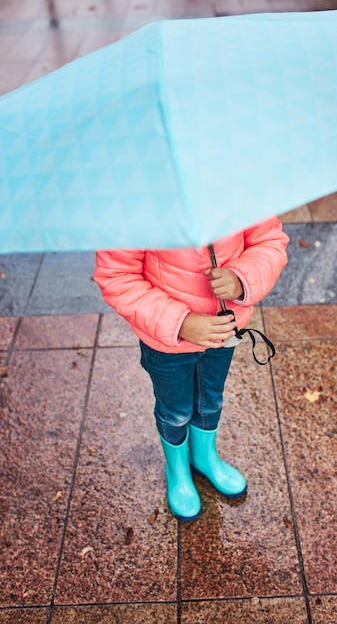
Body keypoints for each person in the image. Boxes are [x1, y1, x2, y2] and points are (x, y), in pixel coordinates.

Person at [94, 216, 289, 521]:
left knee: (210, 400)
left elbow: (269, 241)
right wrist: (181, 322)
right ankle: (176, 468)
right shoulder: (134, 208)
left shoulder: (238, 187)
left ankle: (204, 457)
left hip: (223, 331)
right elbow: (117, 276)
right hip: (166, 342)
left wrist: (241, 279)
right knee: (176, 410)